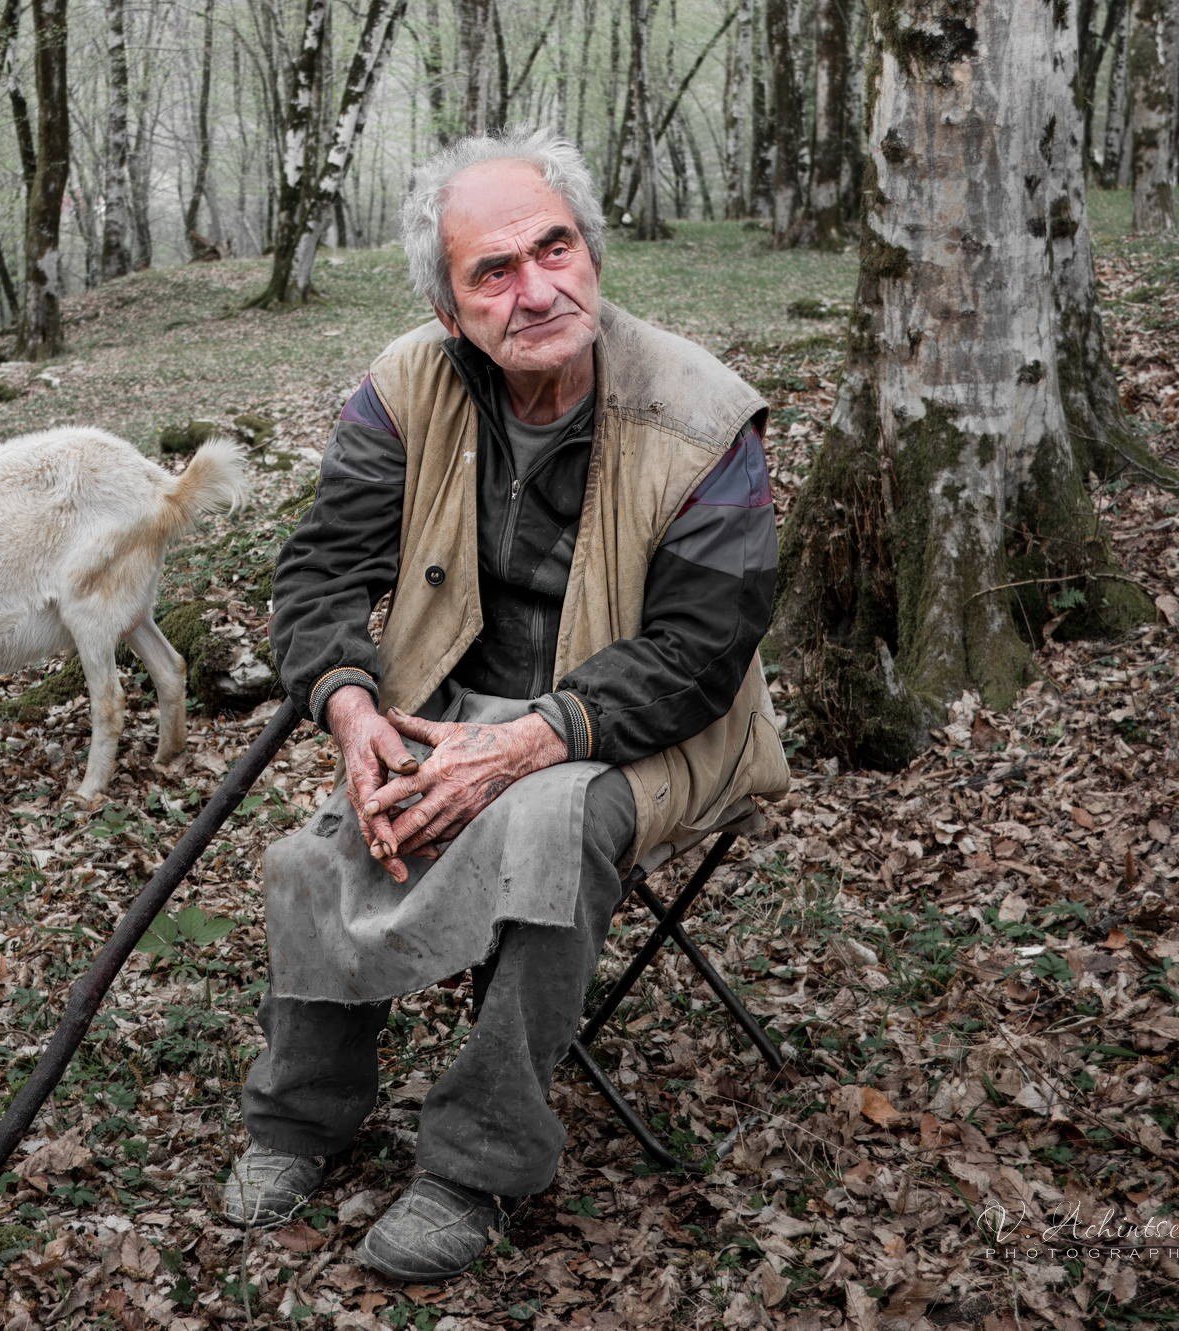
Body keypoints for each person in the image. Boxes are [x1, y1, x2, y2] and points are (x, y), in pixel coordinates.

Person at [218, 128, 791, 1283]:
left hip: (657, 726)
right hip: (452, 705)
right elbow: (320, 570)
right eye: (493, 271)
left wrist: (527, 741)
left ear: (590, 252)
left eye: (553, 248)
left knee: (548, 821)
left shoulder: (699, 413)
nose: (536, 289)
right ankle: (300, 1114)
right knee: (312, 854)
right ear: (449, 309)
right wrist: (351, 709)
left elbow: (699, 651)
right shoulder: (404, 388)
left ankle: (475, 1160)